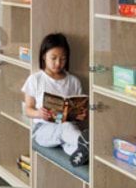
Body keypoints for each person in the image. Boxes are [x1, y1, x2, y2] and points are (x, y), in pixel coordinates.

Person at [21, 32, 89, 166]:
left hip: (69, 128)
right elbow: (28, 109)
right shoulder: (36, 79)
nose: (58, 63)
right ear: (44, 56)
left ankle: (82, 150)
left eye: (63, 59)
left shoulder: (73, 81)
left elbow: (79, 108)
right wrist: (39, 113)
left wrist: (81, 115)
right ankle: (87, 144)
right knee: (66, 129)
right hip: (43, 129)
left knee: (70, 139)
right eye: (54, 58)